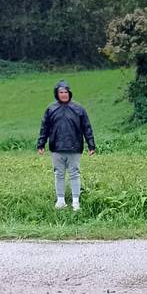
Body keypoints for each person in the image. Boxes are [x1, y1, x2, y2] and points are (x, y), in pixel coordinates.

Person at [36, 79, 96, 211]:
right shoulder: (51, 109)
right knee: (59, 174)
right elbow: (44, 128)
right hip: (57, 148)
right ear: (57, 94)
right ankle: (60, 200)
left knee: (74, 173)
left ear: (69, 92)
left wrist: (91, 145)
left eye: (66, 91)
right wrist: (41, 144)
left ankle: (76, 202)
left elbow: (87, 128)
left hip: (74, 148)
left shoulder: (78, 109)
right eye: (61, 92)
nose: (64, 94)